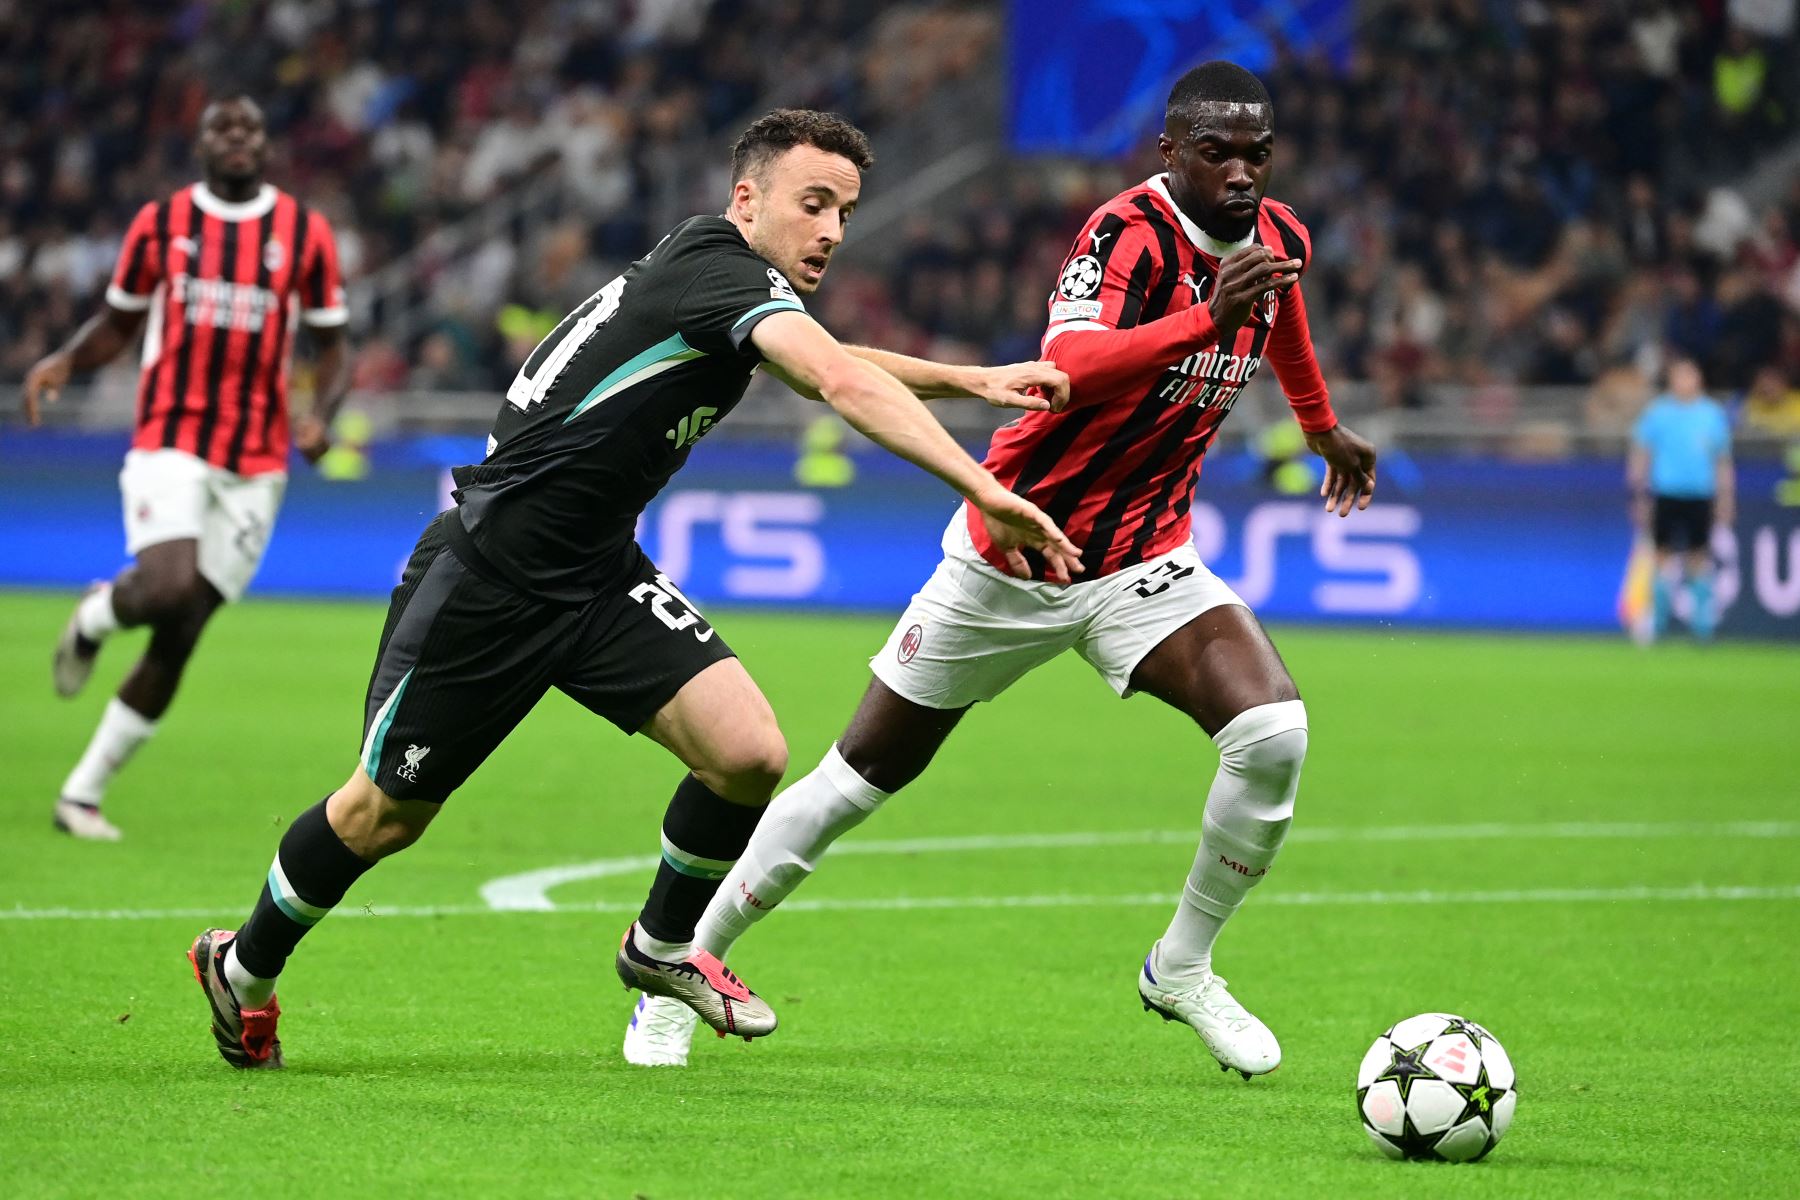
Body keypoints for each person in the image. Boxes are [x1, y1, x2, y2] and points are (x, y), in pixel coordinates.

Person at [183, 108, 1082, 1069]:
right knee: (382, 815)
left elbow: (824, 358)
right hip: (489, 578)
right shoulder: (719, 268)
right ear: (747, 199)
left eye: (846, 213)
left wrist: (971, 379)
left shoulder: (729, 287)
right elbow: (831, 380)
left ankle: (658, 951)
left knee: (746, 753)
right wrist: (983, 486)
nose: (832, 231)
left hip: (599, 575)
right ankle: (242, 968)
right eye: (813, 204)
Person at [623, 61, 1380, 1075]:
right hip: (1012, 551)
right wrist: (1208, 319)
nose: (1242, 174)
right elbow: (1066, 371)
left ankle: (1182, 966)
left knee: (1273, 732)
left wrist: (1322, 427)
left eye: (1258, 153)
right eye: (1218, 153)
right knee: (853, 783)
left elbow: (1281, 322)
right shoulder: (1124, 236)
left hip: (1143, 557)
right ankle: (683, 969)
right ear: (1171, 153)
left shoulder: (1279, 239)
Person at [22, 95, 351, 842]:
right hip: (171, 435)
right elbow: (118, 322)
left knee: (185, 626)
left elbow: (334, 343)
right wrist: (65, 362)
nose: (236, 139)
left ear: (266, 145)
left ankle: (82, 792)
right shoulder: (161, 224)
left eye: (250, 128)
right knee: (166, 585)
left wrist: (322, 414)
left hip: (258, 458)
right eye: (221, 129)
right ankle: (98, 614)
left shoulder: (304, 233)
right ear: (200, 145)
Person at [1629, 357, 1734, 640]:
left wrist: (1726, 498)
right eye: (1679, 375)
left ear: (1699, 379)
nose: (1684, 381)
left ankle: (1702, 627)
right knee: (1661, 555)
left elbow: (1722, 460)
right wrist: (1638, 492)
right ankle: (1659, 623)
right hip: (1666, 493)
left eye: (1689, 375)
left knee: (1698, 557)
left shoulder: (1711, 414)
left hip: (1700, 494)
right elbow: (1641, 452)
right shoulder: (1658, 413)